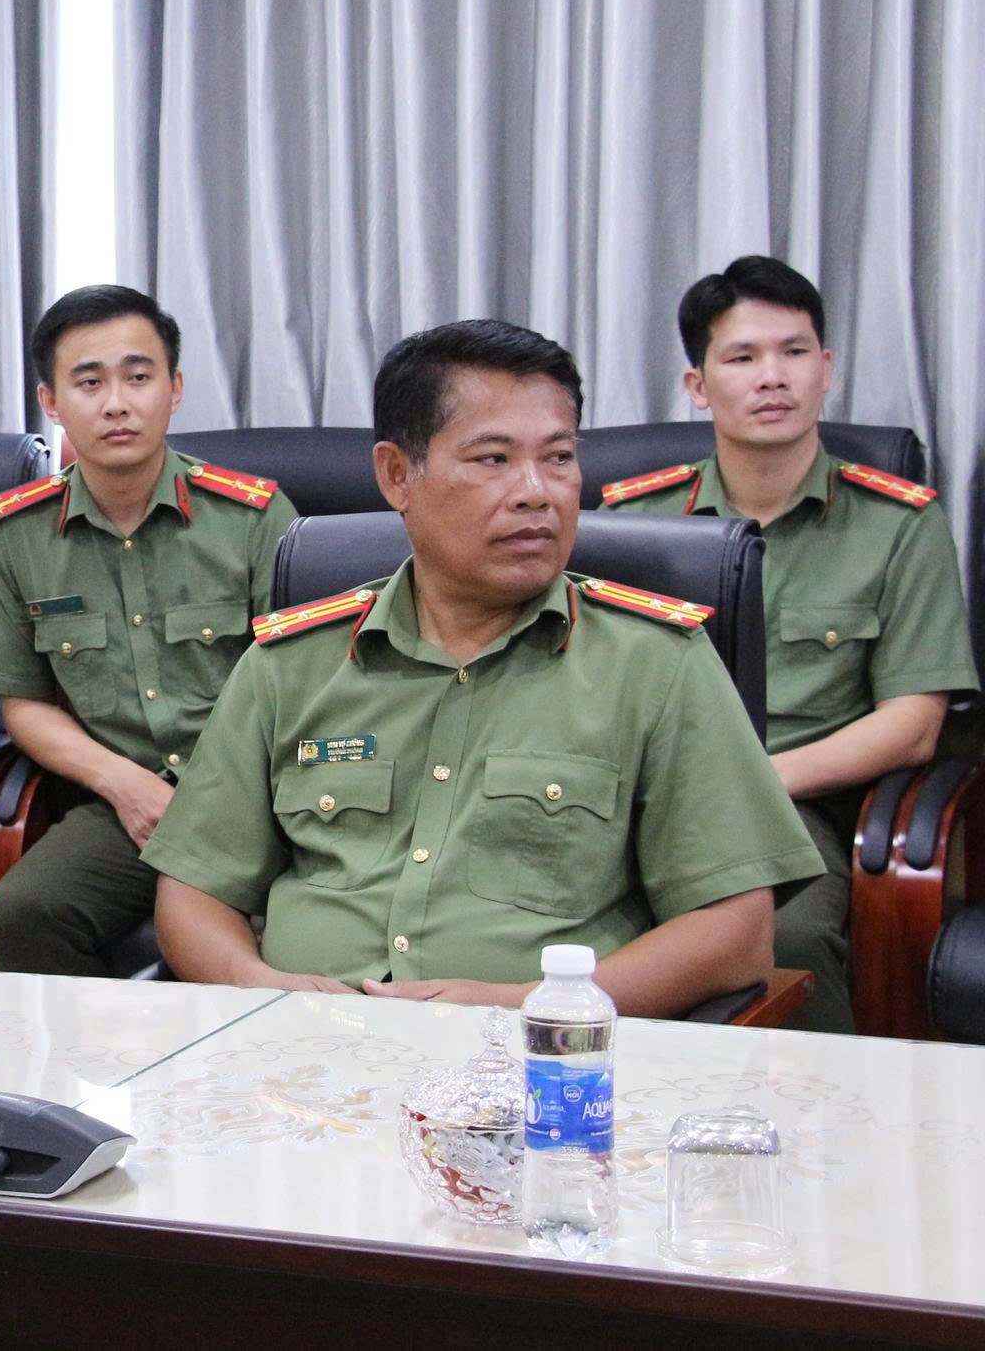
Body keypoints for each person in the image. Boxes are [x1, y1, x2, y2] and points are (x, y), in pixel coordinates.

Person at [145, 321, 825, 1015]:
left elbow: (736, 932)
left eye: (558, 458)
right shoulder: (291, 663)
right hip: (298, 1047)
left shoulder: (656, 662)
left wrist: (525, 1004)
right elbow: (194, 892)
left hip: (541, 1055)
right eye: (494, 459)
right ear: (397, 475)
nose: (536, 492)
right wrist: (259, 990)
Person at [605, 256, 976, 1031]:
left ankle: (819, 1108)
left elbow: (914, 723)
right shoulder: (633, 521)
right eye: (742, 357)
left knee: (790, 941)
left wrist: (752, 782)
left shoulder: (900, 525)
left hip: (796, 806)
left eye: (794, 351)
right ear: (698, 385)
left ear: (826, 368)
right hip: (635, 798)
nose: (772, 376)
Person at [0, 285, 295, 975]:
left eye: (138, 377)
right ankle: (90, 1053)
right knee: (25, 912)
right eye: (89, 382)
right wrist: (123, 784)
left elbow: (303, 685)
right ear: (52, 401)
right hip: (123, 806)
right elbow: (23, 702)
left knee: (290, 932)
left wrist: (226, 805)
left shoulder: (255, 517)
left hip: (255, 802)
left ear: (174, 389)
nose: (116, 403)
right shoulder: (11, 532)